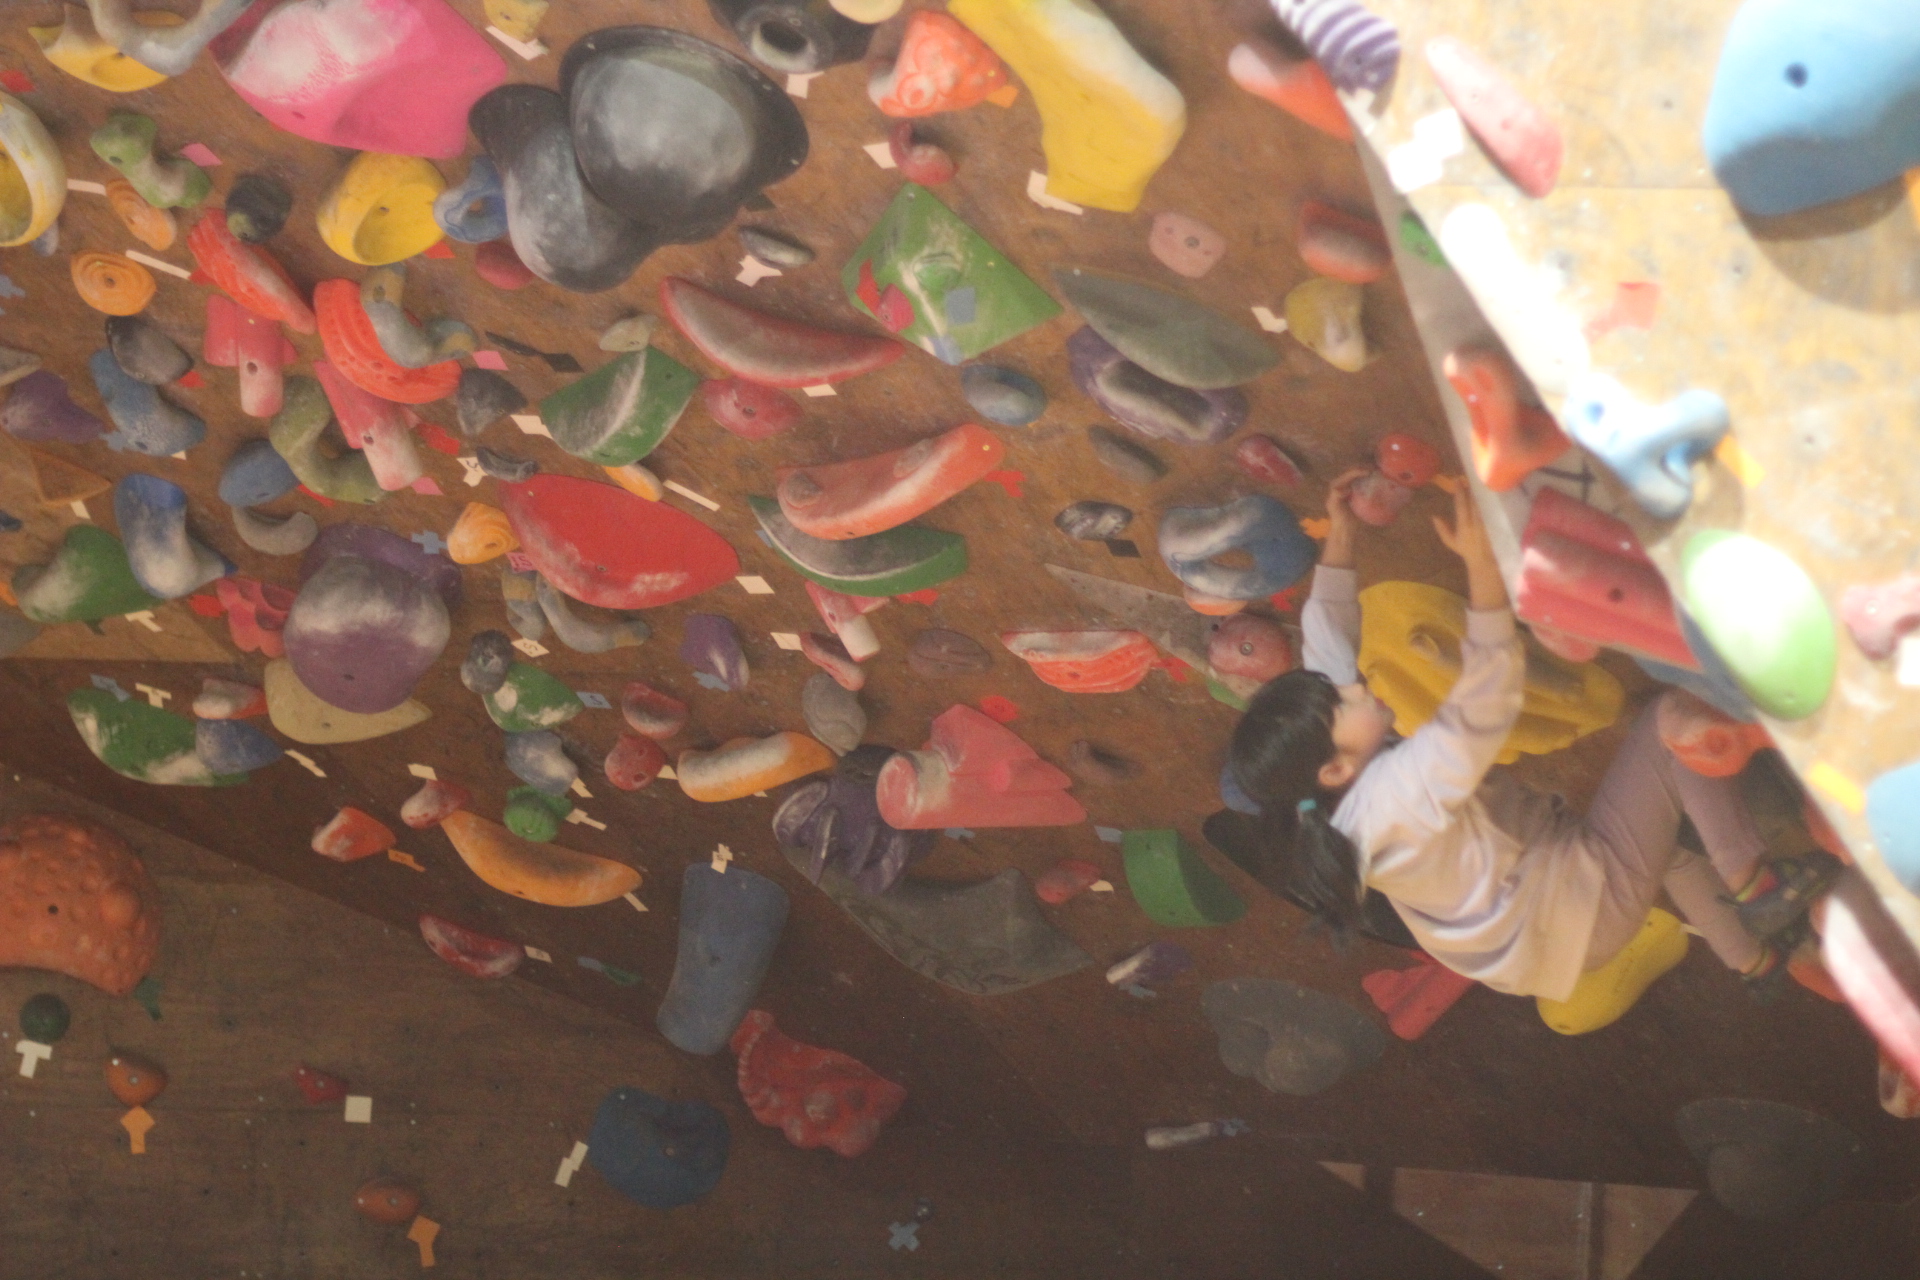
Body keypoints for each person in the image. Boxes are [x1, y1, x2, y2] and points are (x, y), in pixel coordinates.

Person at [1227, 469, 1829, 1002]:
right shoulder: (1396, 798)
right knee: (1669, 721)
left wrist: (1340, 535)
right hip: (1571, 914)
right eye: (1345, 703)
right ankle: (1755, 881)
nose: (1358, 689)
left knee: (1662, 843)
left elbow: (1327, 654)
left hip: (1544, 940)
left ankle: (1752, 961)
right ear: (1333, 768)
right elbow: (1483, 707)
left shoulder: (1337, 802)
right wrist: (1483, 573)